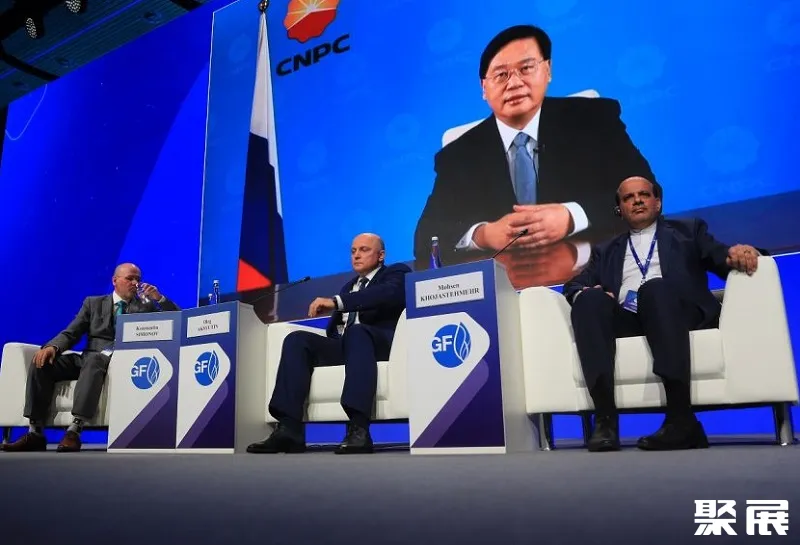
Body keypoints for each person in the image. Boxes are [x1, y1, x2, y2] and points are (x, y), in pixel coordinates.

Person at [414, 24, 655, 268]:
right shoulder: (458, 155)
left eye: (526, 68)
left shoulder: (594, 118)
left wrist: (572, 216)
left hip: (595, 272)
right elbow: (424, 239)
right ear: (484, 89)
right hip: (507, 281)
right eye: (501, 75)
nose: (514, 83)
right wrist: (483, 235)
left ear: (547, 71)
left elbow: (647, 194)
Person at [562, 177, 760, 452]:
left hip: (676, 311)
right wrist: (586, 292)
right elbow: (573, 285)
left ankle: (681, 420)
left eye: (644, 194)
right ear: (620, 209)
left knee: (655, 289)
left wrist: (741, 253)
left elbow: (721, 257)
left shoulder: (688, 231)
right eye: (628, 198)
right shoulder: (606, 250)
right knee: (588, 300)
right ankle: (605, 420)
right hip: (629, 318)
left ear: (658, 202)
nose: (637, 200)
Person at [248, 233, 410, 455]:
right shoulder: (348, 287)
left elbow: (384, 294)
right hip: (348, 346)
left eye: (364, 250)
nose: (356, 255)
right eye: (353, 251)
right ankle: (288, 428)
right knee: (297, 340)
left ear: (381, 255)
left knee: (356, 332)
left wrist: (337, 302)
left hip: (379, 345)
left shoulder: (396, 273)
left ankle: (359, 428)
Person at [2, 263, 180, 453]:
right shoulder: (93, 303)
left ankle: (74, 430)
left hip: (120, 362)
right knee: (42, 361)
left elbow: (178, 320)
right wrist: (52, 347)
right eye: (130, 278)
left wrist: (159, 298)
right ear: (115, 281)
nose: (135, 283)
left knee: (94, 361)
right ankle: (35, 432)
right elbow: (72, 332)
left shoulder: (145, 306)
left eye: (138, 279)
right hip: (88, 357)